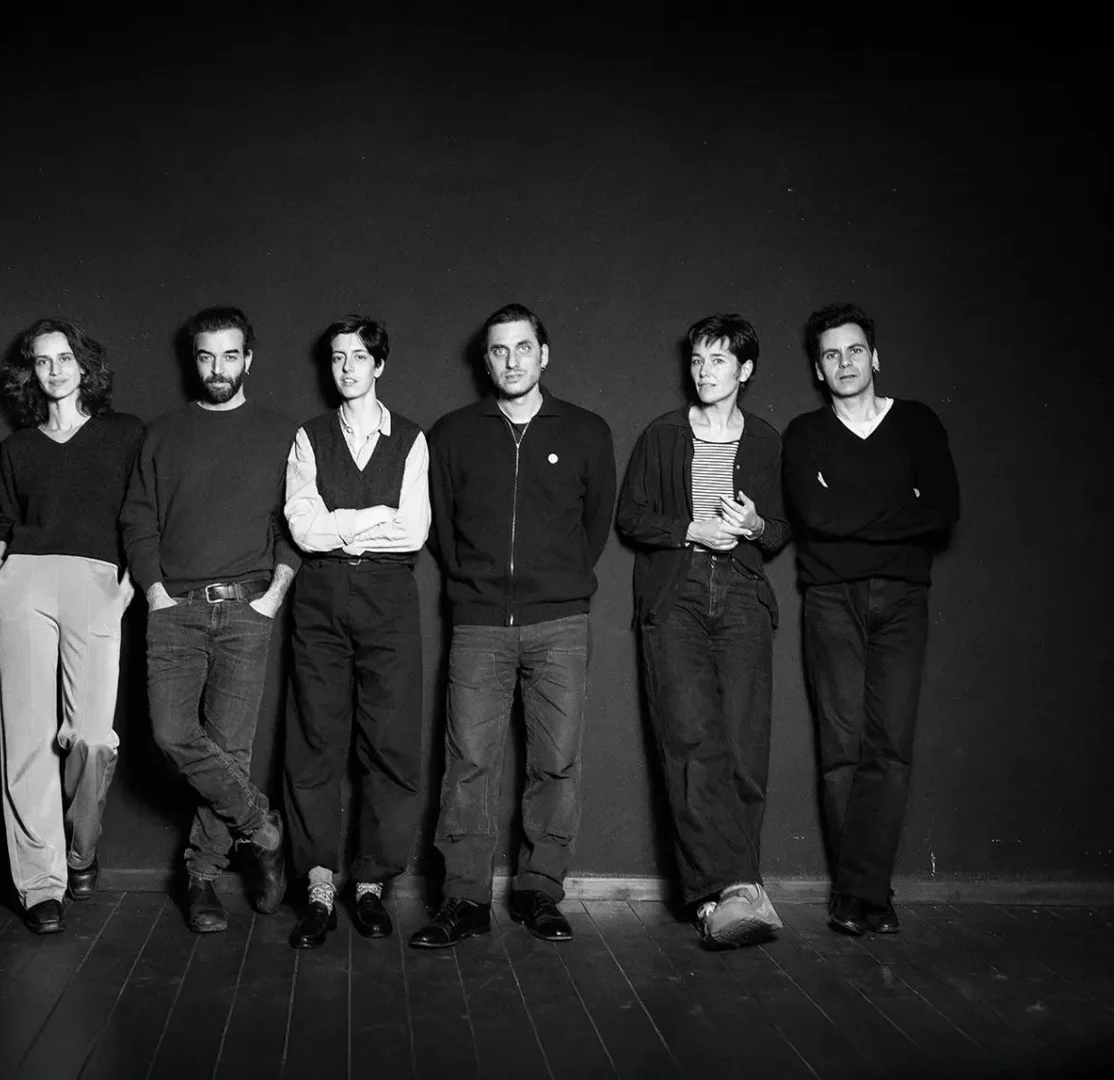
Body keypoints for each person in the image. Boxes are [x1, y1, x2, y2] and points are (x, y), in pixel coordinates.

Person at [412, 303, 616, 949]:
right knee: (468, 762)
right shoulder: (453, 433)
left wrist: (553, 582)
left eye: (523, 347)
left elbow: (595, 526)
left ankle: (539, 891)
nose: (511, 360)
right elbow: (443, 529)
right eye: (499, 350)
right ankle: (464, 897)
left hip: (560, 623)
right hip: (478, 625)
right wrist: (477, 584)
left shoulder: (586, 431)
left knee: (556, 763)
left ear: (543, 354)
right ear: (486, 360)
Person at [120, 306, 301, 933]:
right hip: (176, 609)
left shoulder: (281, 433)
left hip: (249, 604)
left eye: (230, 355)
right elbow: (138, 518)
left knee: (230, 747)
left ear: (248, 358)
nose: (218, 368)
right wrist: (154, 593)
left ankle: (201, 876)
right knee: (172, 732)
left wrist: (274, 593)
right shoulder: (163, 433)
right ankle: (262, 828)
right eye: (206, 356)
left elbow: (297, 520)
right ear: (192, 360)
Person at [782, 302, 961, 936]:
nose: (845, 363)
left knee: (889, 747)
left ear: (875, 357)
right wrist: (896, 508)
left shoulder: (916, 422)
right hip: (831, 600)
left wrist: (850, 516)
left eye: (855, 350)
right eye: (831, 354)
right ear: (818, 368)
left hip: (903, 601)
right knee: (842, 748)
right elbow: (814, 517)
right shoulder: (805, 434)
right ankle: (863, 894)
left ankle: (861, 893)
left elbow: (942, 511)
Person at [617, 313, 790, 948]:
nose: (704, 371)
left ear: (745, 370)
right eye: (696, 360)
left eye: (718, 360)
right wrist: (691, 528)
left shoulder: (766, 440)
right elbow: (631, 516)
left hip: (742, 592)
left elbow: (780, 530)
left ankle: (731, 893)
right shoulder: (663, 434)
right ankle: (729, 893)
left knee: (743, 747)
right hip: (678, 592)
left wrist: (754, 526)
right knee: (690, 741)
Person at [0, 319, 145, 935]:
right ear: (30, 372)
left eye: (65, 358)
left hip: (95, 581)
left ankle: (80, 850)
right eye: (42, 361)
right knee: (26, 740)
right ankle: (40, 885)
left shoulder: (124, 434)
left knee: (92, 737)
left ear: (84, 365)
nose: (54, 370)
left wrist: (129, 582)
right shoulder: (17, 449)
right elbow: (5, 520)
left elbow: (141, 512)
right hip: (24, 580)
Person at [280, 315, 430, 949]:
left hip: (390, 598)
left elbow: (413, 532)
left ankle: (371, 885)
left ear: (379, 365)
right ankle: (319, 884)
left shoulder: (412, 439)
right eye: (338, 357)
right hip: (320, 596)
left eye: (359, 357)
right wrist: (372, 516)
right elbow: (302, 528)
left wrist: (337, 522)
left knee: (389, 742)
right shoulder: (309, 437)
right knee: (314, 738)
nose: (347, 368)